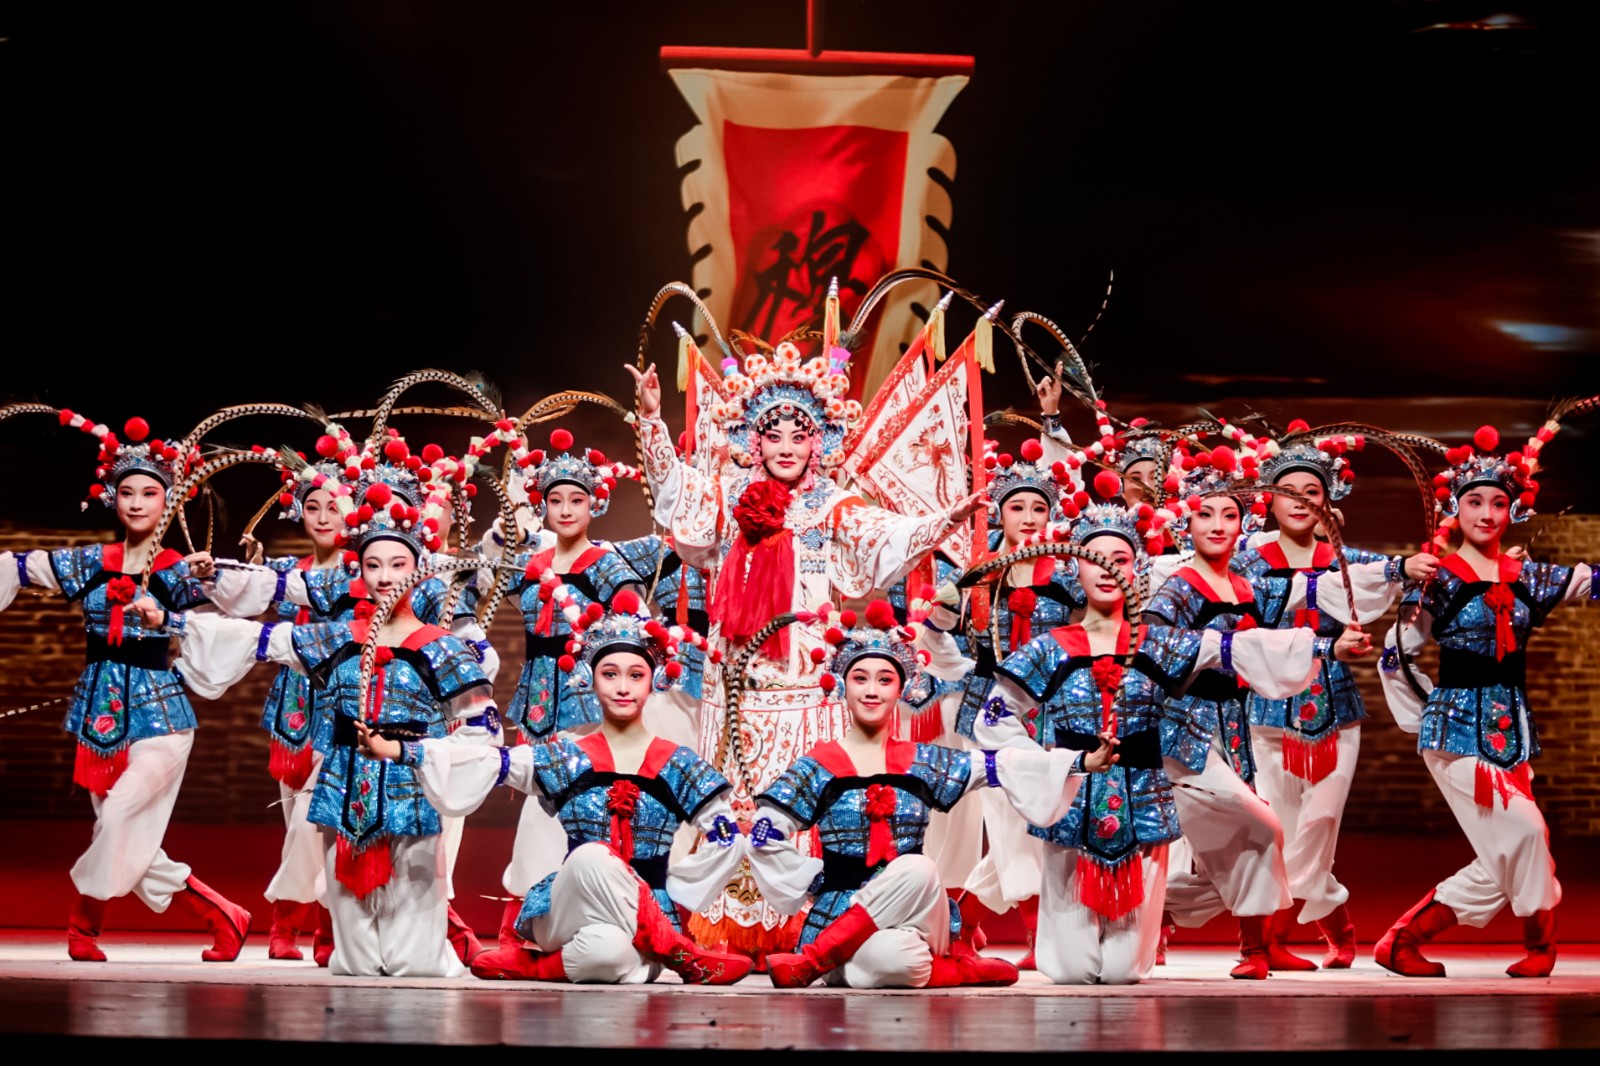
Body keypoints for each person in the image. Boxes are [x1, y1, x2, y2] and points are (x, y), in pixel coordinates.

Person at [626, 347, 983, 960]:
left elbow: (888, 535)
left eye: (800, 435)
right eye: (774, 435)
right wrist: (653, 420)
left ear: (818, 442)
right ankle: (729, 927)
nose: (786, 447)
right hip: (734, 684)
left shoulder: (831, 507)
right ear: (754, 441)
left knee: (800, 799)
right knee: (733, 798)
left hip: (806, 686)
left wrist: (946, 519)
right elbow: (673, 493)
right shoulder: (727, 498)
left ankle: (800, 926)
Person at [155, 431, 500, 977]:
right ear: (358, 567)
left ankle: (439, 940)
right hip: (345, 779)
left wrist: (436, 751)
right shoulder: (338, 633)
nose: (385, 577)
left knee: (413, 950)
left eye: (398, 565)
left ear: (417, 564)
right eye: (373, 566)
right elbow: (266, 637)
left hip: (415, 777)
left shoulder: (441, 636)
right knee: (354, 958)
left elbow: (481, 710)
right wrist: (174, 619)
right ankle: (316, 931)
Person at [361, 590, 756, 985]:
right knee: (592, 856)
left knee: (609, 954)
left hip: (637, 924)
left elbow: (726, 836)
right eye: (610, 674)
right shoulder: (567, 756)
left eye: (635, 675)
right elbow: (485, 761)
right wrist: (402, 750)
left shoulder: (678, 764)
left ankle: (532, 966)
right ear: (590, 680)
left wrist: (684, 885)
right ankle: (678, 951)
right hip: (568, 908)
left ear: (654, 681)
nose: (623, 687)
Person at [746, 599, 1112, 989]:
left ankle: (818, 961)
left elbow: (1000, 765)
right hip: (843, 913)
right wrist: (813, 879)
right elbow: (762, 835)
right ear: (842, 685)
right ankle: (940, 968)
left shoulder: (922, 761)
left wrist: (1077, 762)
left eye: (885, 680)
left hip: (919, 914)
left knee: (918, 870)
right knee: (897, 960)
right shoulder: (819, 765)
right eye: (860, 679)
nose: (872, 691)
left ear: (901, 689)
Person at [0, 412, 251, 963]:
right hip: (100, 718)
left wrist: (224, 572)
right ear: (113, 497)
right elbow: (18, 567)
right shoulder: (90, 562)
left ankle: (82, 925)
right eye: (127, 492)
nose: (137, 503)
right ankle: (220, 913)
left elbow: (244, 606)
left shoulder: (185, 571)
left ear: (169, 501)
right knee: (122, 832)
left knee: (116, 821)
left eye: (149, 493)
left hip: (162, 718)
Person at [1143, 440, 1374, 978]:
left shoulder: (1244, 587)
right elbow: (1155, 645)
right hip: (1186, 732)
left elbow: (1275, 638)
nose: (1218, 525)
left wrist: (1330, 645)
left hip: (1233, 727)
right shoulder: (1178, 588)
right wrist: (1221, 650)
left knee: (1247, 841)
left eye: (1229, 515)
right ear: (1187, 524)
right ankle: (1159, 919)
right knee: (1262, 827)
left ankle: (1244, 946)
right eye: (1205, 515)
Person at [1376, 424, 1592, 978]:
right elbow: (1395, 655)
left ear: (1512, 510)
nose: (1487, 514)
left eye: (1498, 503)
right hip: (1455, 733)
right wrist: (1428, 713)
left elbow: (1591, 580)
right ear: (1457, 507)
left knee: (1510, 848)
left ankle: (1403, 940)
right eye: (1475, 502)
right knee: (1526, 831)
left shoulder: (1529, 577)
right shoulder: (1438, 580)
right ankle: (1540, 944)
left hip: (1512, 731)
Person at [1232, 426, 1436, 968]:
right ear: (1270, 500)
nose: (1301, 502)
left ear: (1328, 501)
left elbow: (1406, 583)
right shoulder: (1247, 561)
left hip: (1335, 709)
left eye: (1312, 492)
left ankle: (1271, 936)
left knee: (1320, 823)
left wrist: (1419, 576)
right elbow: (1253, 607)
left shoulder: (1350, 559)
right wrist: (1394, 569)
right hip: (1267, 712)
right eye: (1289, 492)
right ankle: (1332, 926)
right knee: (1279, 830)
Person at [490, 428, 650, 959]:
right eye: (554, 500)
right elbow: (481, 578)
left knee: (581, 805)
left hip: (587, 698)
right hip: (538, 696)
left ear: (593, 505)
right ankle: (526, 920)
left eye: (575, 500)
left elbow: (634, 626)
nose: (564, 510)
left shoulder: (606, 565)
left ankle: (593, 911)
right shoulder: (531, 563)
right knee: (538, 806)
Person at [946, 436, 1085, 966]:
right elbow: (938, 635)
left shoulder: (1068, 579)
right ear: (999, 514)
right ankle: (1036, 936)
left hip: (1051, 715)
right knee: (1011, 825)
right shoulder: (976, 576)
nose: (1028, 518)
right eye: (1017, 507)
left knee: (1041, 823)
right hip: (990, 714)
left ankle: (961, 927)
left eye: (1038, 508)